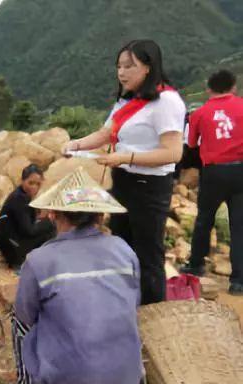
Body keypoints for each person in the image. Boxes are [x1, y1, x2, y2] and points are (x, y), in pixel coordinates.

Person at [8, 167, 142, 384]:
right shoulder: (124, 250)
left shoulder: (39, 260)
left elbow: (26, 316)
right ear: (100, 217)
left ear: (53, 214)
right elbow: (133, 303)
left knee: (18, 322)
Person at [64, 39, 185, 304]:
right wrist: (75, 145)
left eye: (129, 66)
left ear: (148, 67)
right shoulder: (127, 101)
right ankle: (124, 305)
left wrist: (126, 157)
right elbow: (106, 134)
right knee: (121, 247)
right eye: (119, 66)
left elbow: (173, 153)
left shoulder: (167, 102)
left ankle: (153, 315)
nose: (121, 72)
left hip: (150, 187)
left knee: (148, 254)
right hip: (123, 182)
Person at [180, 70, 243, 295]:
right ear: (233, 87)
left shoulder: (199, 113)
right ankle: (238, 282)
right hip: (240, 171)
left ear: (208, 89)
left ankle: (196, 265)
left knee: (204, 220)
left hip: (213, 173)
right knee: (239, 226)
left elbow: (192, 145)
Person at [0, 164, 56, 269]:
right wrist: (48, 220)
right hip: (10, 245)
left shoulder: (22, 194)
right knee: (51, 227)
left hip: (9, 238)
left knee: (48, 225)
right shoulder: (19, 199)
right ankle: (28, 261)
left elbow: (25, 223)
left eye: (37, 184)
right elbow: (29, 231)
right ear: (22, 181)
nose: (34, 187)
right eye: (30, 183)